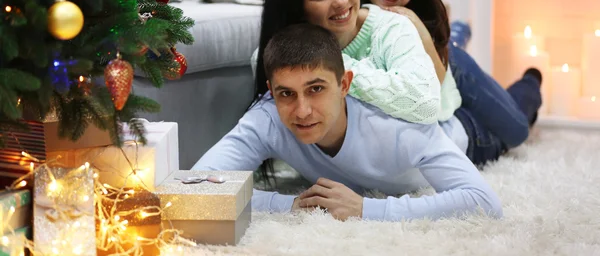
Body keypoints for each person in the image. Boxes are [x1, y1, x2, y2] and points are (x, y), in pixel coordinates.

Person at [194, 24, 502, 221]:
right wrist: (286, 205)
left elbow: (484, 202)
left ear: (344, 85)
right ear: (271, 91)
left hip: (469, 135)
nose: (301, 111)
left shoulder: (398, 127)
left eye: (316, 89)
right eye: (286, 93)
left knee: (516, 118)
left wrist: (367, 209)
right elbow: (194, 188)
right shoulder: (268, 117)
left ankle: (462, 46)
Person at [350, 0, 543, 164]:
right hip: (442, 76)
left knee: (517, 132)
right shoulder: (352, 18)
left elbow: (436, 84)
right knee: (485, 122)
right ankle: (460, 31)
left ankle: (530, 81)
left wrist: (421, 32)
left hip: (452, 67)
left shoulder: (414, 19)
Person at [253, 0, 441, 125]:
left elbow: (426, 105)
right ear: (296, 10)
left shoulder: (392, 27)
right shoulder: (275, 58)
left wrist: (333, 66)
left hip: (455, 107)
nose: (342, 1)